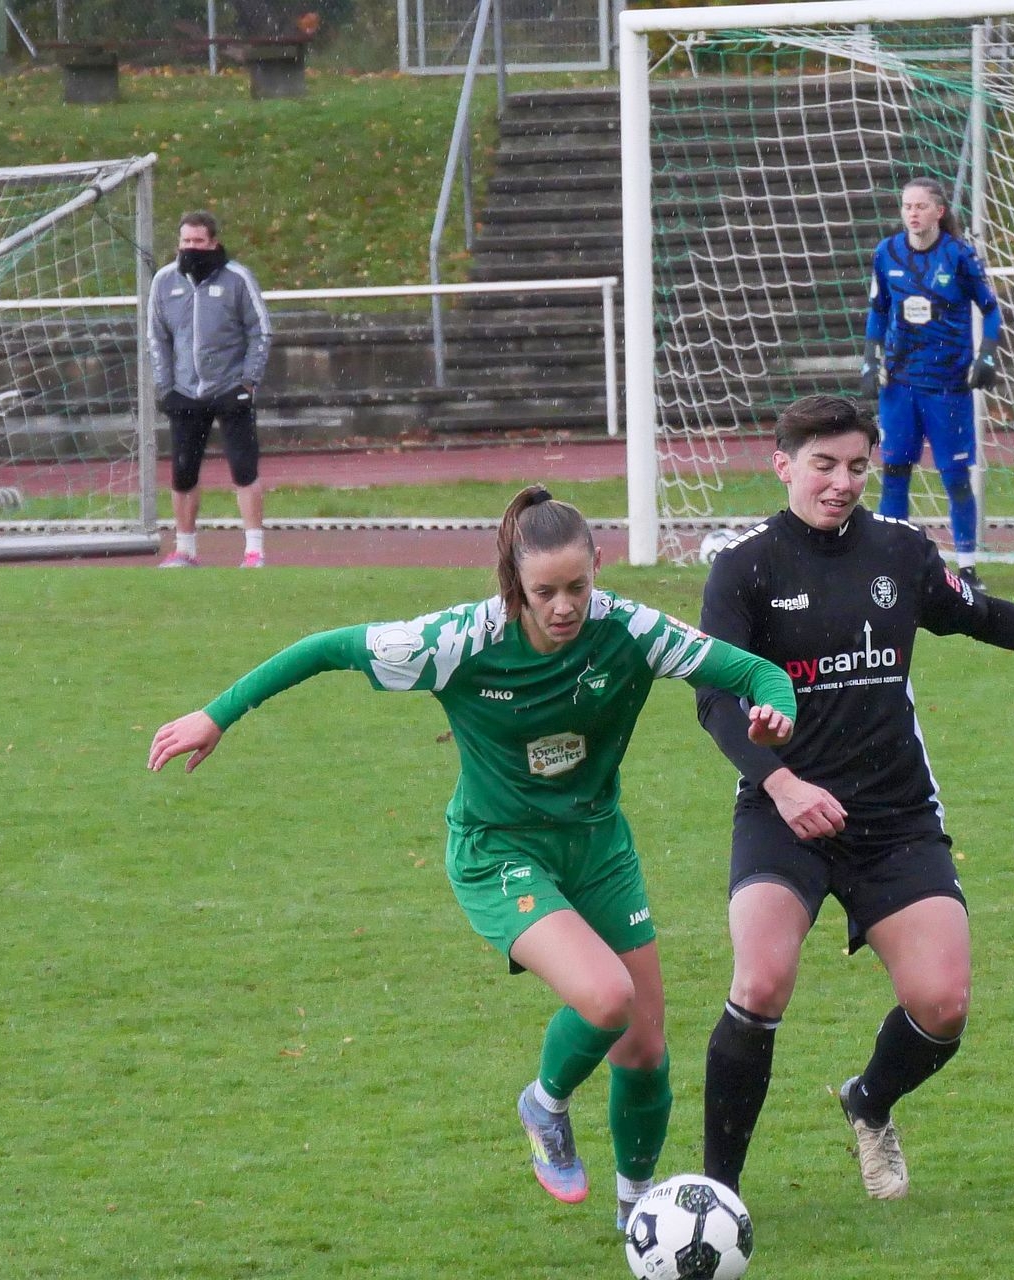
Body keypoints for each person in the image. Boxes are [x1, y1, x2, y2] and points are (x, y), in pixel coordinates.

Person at [147, 487, 798, 1233]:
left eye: (578, 586)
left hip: (597, 846)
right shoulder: (456, 641)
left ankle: (637, 1215)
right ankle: (544, 1105)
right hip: (500, 850)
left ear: (598, 566)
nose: (565, 606)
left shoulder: (631, 629)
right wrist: (217, 715)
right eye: (545, 592)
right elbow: (327, 648)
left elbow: (757, 674)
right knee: (606, 998)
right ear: (514, 583)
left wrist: (777, 713)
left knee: (645, 1047)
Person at [694, 394, 1014, 1202]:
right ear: (782, 466)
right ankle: (717, 1194)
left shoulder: (899, 550)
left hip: (894, 817)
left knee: (943, 1005)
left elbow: (978, 613)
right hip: (783, 812)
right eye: (823, 465)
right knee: (761, 983)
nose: (842, 482)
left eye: (857, 466)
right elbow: (713, 697)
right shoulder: (745, 567)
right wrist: (782, 783)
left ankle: (869, 1101)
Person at [859, 176, 1004, 588]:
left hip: (947, 387)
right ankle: (893, 563)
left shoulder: (958, 255)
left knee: (955, 477)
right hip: (900, 384)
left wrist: (986, 355)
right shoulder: (886, 253)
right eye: (907, 206)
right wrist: (869, 360)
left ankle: (968, 567)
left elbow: (991, 309)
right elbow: (878, 310)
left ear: (938, 212)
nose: (912, 213)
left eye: (920, 206)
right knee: (895, 471)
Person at [148, 210, 272, 568]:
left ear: (213, 242)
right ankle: (184, 549)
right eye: (186, 240)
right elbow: (156, 336)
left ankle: (254, 550)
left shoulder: (237, 278)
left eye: (198, 241)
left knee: (244, 469)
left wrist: (248, 381)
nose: (192, 247)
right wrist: (166, 387)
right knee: (183, 473)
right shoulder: (164, 281)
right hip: (185, 392)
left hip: (230, 388)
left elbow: (260, 330)